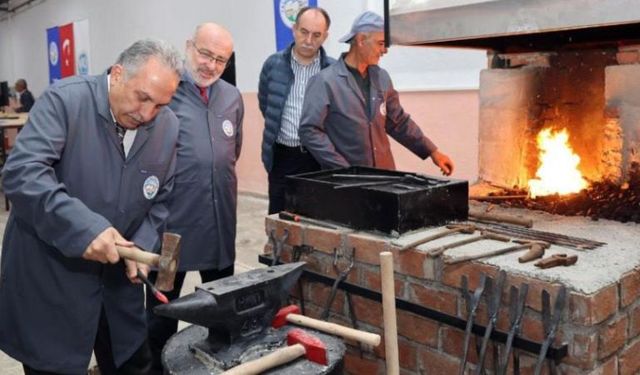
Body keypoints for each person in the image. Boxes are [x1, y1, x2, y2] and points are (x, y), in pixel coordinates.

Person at [0, 39, 182, 375]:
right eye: (142, 97)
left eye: (160, 104)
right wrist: (86, 228)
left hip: (118, 290)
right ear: (116, 74)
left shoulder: (167, 125)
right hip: (53, 280)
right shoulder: (65, 101)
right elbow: (22, 173)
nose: (147, 114)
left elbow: (162, 198)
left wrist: (141, 244)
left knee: (132, 364)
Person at [144, 23, 243, 373]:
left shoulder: (232, 97)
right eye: (204, 53)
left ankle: (217, 365)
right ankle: (156, 368)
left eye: (220, 58)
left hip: (218, 225)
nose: (210, 65)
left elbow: (233, 152)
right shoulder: (167, 92)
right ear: (189, 46)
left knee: (222, 307)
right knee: (162, 310)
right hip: (171, 231)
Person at [299, 11, 455, 175]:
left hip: (385, 176)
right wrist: (342, 169)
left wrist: (432, 152)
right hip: (346, 182)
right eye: (380, 43)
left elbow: (398, 122)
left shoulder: (382, 77)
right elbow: (310, 130)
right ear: (361, 40)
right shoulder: (325, 81)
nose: (385, 50)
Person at [259, 6, 335, 214]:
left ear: (325, 36)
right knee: (279, 218)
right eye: (304, 32)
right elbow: (266, 104)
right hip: (282, 158)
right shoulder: (272, 65)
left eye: (316, 35)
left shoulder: (333, 71)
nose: (309, 40)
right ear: (294, 29)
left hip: (318, 160)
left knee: (317, 218)